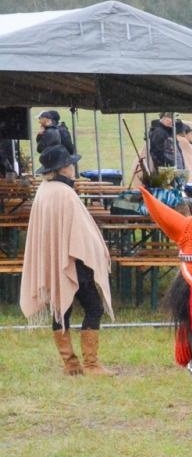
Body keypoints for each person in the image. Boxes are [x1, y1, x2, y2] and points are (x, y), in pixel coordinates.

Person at [20, 144, 115, 376]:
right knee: (93, 307)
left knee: (61, 310)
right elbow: (81, 233)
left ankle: (70, 364)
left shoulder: (44, 190)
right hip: (74, 261)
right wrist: (96, 251)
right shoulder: (64, 193)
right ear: (63, 168)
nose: (73, 167)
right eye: (70, 164)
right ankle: (90, 364)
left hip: (56, 260)